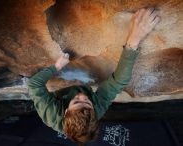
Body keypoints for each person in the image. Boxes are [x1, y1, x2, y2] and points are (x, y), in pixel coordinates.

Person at [27, 8, 160, 145]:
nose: (82, 97)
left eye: (77, 102)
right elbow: (118, 82)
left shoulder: (51, 115)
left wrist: (57, 67)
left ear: (66, 111)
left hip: (61, 93)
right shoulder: (97, 110)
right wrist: (134, 39)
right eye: (87, 102)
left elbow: (33, 85)